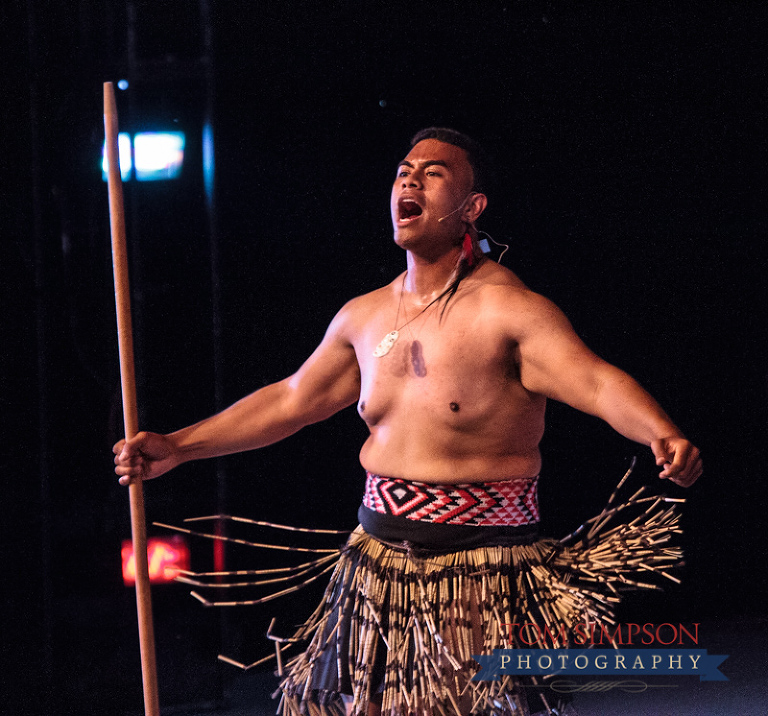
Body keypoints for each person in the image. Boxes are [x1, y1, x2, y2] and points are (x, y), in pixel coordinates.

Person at [114, 128, 701, 716]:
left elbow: (595, 381)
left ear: (472, 209)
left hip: (477, 572)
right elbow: (291, 400)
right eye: (404, 170)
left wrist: (660, 431)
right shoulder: (364, 316)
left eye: (434, 172)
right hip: (373, 563)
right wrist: (179, 446)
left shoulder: (508, 312)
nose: (410, 179)